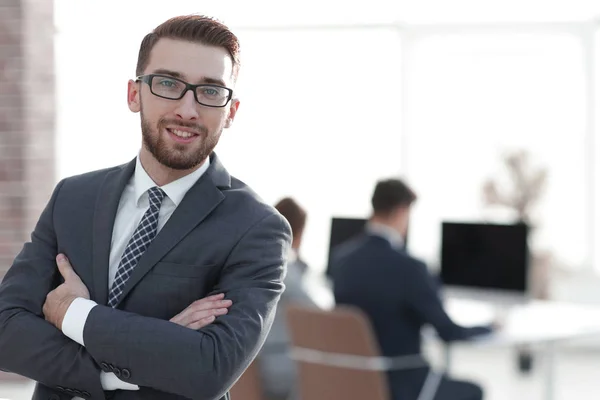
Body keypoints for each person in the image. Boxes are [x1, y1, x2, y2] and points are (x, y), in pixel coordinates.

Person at [0, 15, 291, 400]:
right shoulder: (73, 198)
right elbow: (6, 330)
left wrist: (72, 313)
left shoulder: (257, 228)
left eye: (210, 91)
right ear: (134, 94)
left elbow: (209, 369)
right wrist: (124, 369)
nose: (188, 109)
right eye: (168, 84)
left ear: (231, 112)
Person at [330, 178, 493, 400]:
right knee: (473, 391)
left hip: (356, 384)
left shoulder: (340, 260)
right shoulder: (410, 267)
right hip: (403, 385)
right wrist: (489, 327)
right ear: (402, 211)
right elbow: (449, 332)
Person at [257, 197, 318, 400]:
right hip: (278, 367)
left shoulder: (253, 261)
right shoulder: (284, 268)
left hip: (252, 363)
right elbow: (317, 313)